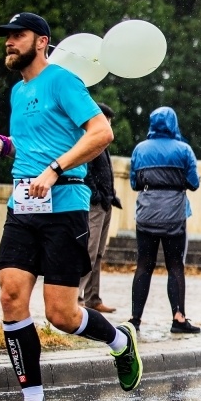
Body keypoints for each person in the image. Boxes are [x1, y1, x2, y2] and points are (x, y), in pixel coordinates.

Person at [0, 12, 141, 401]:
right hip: (23, 208)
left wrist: (54, 169)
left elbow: (100, 132)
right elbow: (38, 141)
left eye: (19, 35)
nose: (9, 42)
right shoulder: (19, 93)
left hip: (64, 206)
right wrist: (7, 145)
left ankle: (120, 341)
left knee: (62, 315)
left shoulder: (63, 80)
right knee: (11, 297)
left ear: (42, 42)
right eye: (7, 37)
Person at [129, 107, 201, 334]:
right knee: (175, 266)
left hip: (147, 215)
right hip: (174, 216)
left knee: (144, 265)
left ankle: (135, 318)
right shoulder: (184, 150)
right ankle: (178, 318)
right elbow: (194, 183)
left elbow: (135, 184)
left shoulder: (140, 149)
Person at [78, 103, 121, 313]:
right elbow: (86, 172)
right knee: (89, 251)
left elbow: (105, 174)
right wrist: (97, 196)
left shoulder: (103, 145)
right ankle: (76, 298)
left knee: (98, 254)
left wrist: (111, 197)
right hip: (94, 204)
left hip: (104, 203)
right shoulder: (88, 142)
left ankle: (93, 298)